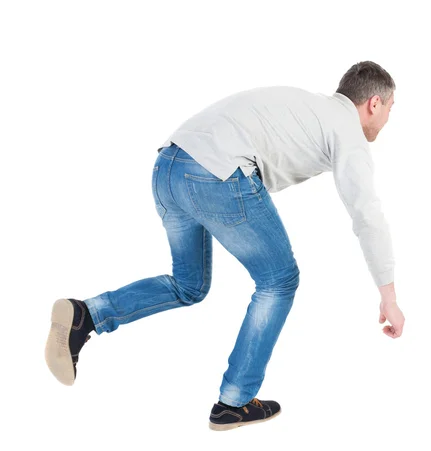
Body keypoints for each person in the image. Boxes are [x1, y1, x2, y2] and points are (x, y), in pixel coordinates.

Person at [45, 60, 406, 431]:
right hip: (214, 173)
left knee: (188, 285)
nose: (388, 120)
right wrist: (389, 297)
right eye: (391, 109)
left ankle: (86, 314)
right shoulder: (347, 129)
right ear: (374, 103)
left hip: (168, 165)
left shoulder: (307, 105)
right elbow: (367, 215)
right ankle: (234, 401)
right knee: (279, 281)